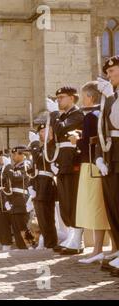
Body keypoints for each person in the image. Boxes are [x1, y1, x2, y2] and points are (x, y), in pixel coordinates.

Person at [71, 81, 112, 264]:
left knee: (95, 208)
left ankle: (97, 249)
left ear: (90, 97)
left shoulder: (90, 116)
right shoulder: (100, 113)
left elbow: (88, 142)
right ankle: (108, 248)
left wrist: (76, 141)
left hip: (91, 164)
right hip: (99, 163)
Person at [48, 86, 85, 255]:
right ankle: (72, 236)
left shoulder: (77, 114)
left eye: (61, 97)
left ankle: (78, 239)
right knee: (65, 202)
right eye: (57, 98)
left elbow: (61, 129)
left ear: (72, 98)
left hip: (72, 164)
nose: (58, 101)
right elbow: (53, 140)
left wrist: (54, 114)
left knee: (72, 200)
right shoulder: (62, 116)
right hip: (62, 163)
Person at [96, 56, 119, 277]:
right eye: (108, 72)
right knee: (113, 207)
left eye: (113, 71)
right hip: (110, 157)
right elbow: (101, 128)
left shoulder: (112, 96)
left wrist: (111, 98)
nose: (109, 75)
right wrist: (98, 157)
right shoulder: (109, 96)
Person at [29, 124, 58, 250]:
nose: (40, 134)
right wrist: (31, 185)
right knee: (41, 217)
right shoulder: (42, 147)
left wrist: (34, 144)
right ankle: (48, 242)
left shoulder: (51, 145)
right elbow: (34, 167)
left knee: (47, 217)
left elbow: (40, 159)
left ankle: (51, 242)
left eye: (42, 131)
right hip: (39, 184)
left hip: (46, 184)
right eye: (39, 132)